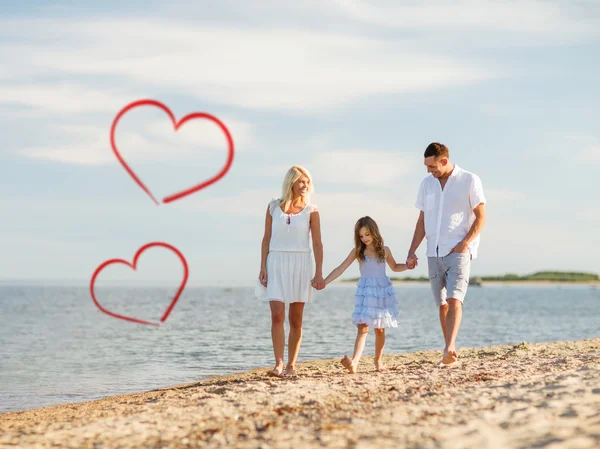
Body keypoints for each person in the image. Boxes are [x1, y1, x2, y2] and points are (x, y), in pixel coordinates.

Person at [406, 142, 487, 367]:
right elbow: (422, 221)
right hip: (433, 251)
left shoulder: (469, 180)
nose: (428, 171)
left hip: (458, 251)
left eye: (431, 166)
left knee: (454, 299)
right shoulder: (426, 185)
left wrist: (465, 244)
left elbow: (481, 216)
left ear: (443, 160)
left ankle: (450, 347)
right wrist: (412, 250)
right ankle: (448, 349)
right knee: (441, 303)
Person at [255, 165, 325, 378]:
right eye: (300, 181)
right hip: (276, 261)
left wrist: (319, 272)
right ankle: (278, 363)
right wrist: (262, 266)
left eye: (307, 182)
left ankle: (291, 365)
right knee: (276, 315)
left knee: (296, 319)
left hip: (300, 263)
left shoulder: (311, 211)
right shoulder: (273, 207)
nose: (304, 185)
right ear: (291, 183)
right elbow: (266, 238)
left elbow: (317, 243)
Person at [317, 216, 410, 373]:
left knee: (379, 329)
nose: (365, 238)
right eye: (361, 236)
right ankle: (354, 362)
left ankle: (378, 361)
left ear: (374, 232)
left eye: (367, 234)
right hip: (366, 293)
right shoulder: (358, 252)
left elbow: (394, 267)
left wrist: (408, 266)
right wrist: (325, 281)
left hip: (381, 292)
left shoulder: (384, 251)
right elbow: (340, 268)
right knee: (362, 327)